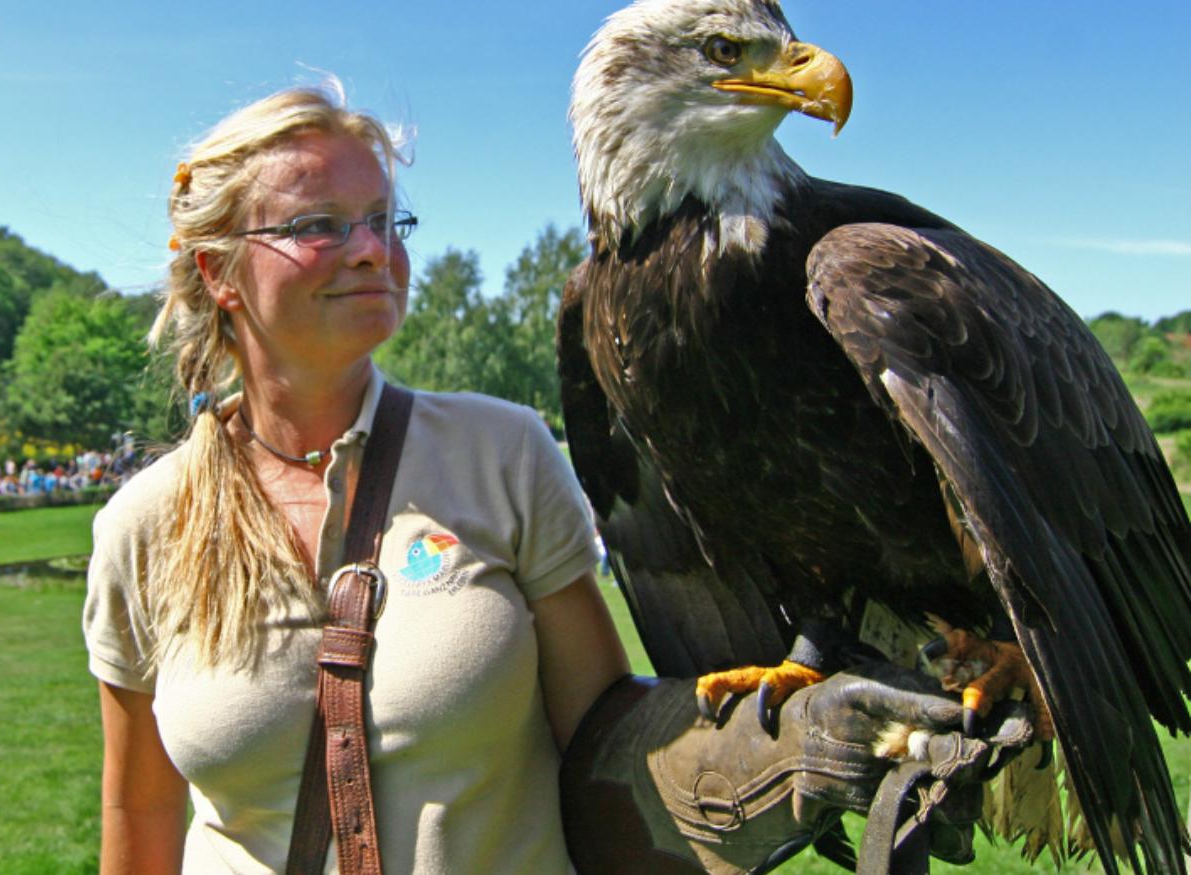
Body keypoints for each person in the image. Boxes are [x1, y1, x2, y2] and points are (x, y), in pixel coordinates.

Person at [83, 85, 1021, 874]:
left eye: (382, 219)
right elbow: (140, 815)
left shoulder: (504, 451)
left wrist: (790, 745)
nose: (372, 248)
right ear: (217, 272)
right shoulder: (143, 525)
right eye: (318, 226)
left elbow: (605, 740)